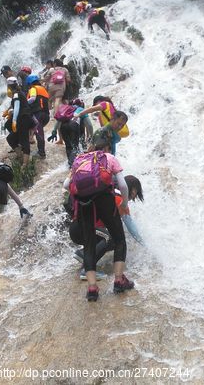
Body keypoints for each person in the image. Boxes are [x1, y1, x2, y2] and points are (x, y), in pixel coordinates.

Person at [64, 136, 133, 301]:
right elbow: (123, 185)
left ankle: (92, 288)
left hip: (84, 203)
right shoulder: (109, 158)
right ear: (107, 149)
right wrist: (124, 201)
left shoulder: (79, 161)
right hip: (104, 199)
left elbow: (67, 185)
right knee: (119, 239)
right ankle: (118, 280)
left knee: (88, 244)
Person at [70, 175, 144, 278]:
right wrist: (145, 245)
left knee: (110, 238)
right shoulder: (120, 201)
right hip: (82, 229)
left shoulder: (109, 193)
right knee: (114, 239)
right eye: (136, 191)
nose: (135, 195)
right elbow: (131, 229)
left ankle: (85, 256)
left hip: (77, 228)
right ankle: (86, 266)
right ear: (132, 189)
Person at [48, 98, 93, 166]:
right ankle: (76, 164)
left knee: (68, 146)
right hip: (74, 125)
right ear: (81, 105)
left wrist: (54, 132)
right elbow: (89, 125)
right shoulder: (81, 109)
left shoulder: (66, 109)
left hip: (63, 127)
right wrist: (91, 136)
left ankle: (70, 164)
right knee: (75, 146)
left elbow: (58, 121)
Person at [3, 77, 33, 165]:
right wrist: (9, 112)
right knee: (10, 137)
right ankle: (20, 155)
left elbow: (17, 107)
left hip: (23, 118)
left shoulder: (16, 94)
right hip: (24, 117)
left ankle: (25, 164)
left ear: (9, 86)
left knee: (24, 139)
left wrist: (14, 120)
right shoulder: (20, 93)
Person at [25, 75, 51, 159]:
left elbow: (32, 99)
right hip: (46, 115)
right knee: (37, 131)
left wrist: (24, 103)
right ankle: (32, 141)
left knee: (39, 133)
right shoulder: (43, 89)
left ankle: (41, 153)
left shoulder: (33, 89)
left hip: (38, 114)